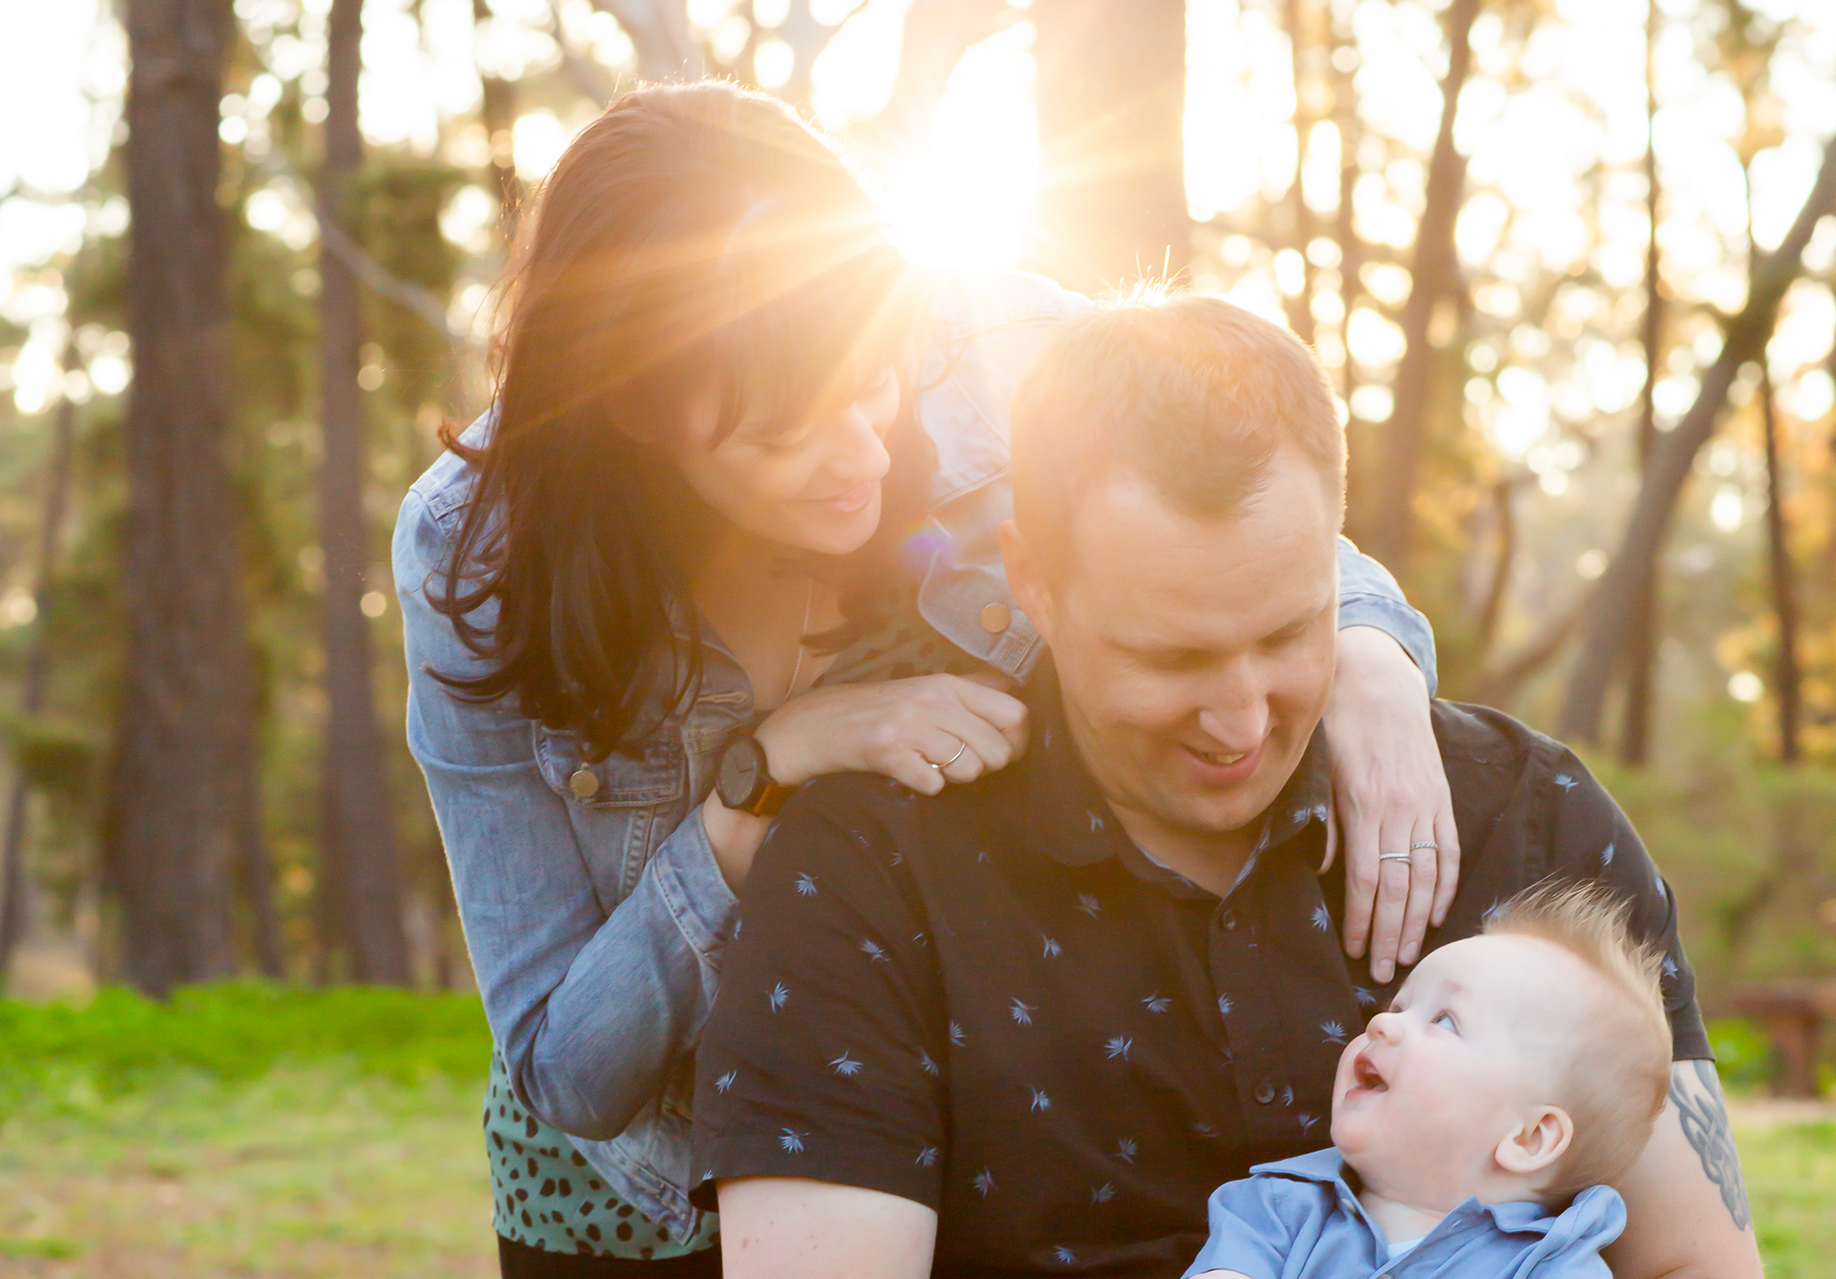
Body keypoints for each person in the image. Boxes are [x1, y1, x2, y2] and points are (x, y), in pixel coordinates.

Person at [395, 83, 1452, 1276]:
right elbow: (562, 1069)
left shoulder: (995, 354)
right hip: (634, 1207)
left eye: (871, 383)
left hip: (920, 1140)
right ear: (636, 402)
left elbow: (1259, 503)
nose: (860, 454)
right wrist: (772, 775)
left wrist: (1372, 660)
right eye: (784, 431)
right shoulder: (472, 552)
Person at [689, 292, 1762, 1279]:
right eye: (1172, 658)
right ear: (1033, 583)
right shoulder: (869, 874)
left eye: (1289, 632)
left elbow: (1692, 1262)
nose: (1243, 721)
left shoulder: (1527, 821)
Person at [1185, 882, 1674, 1279]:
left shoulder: (1552, 1267)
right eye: (1398, 1006)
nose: (1382, 1023)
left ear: (1529, 1137)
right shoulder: (1276, 1211)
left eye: (1444, 1021)